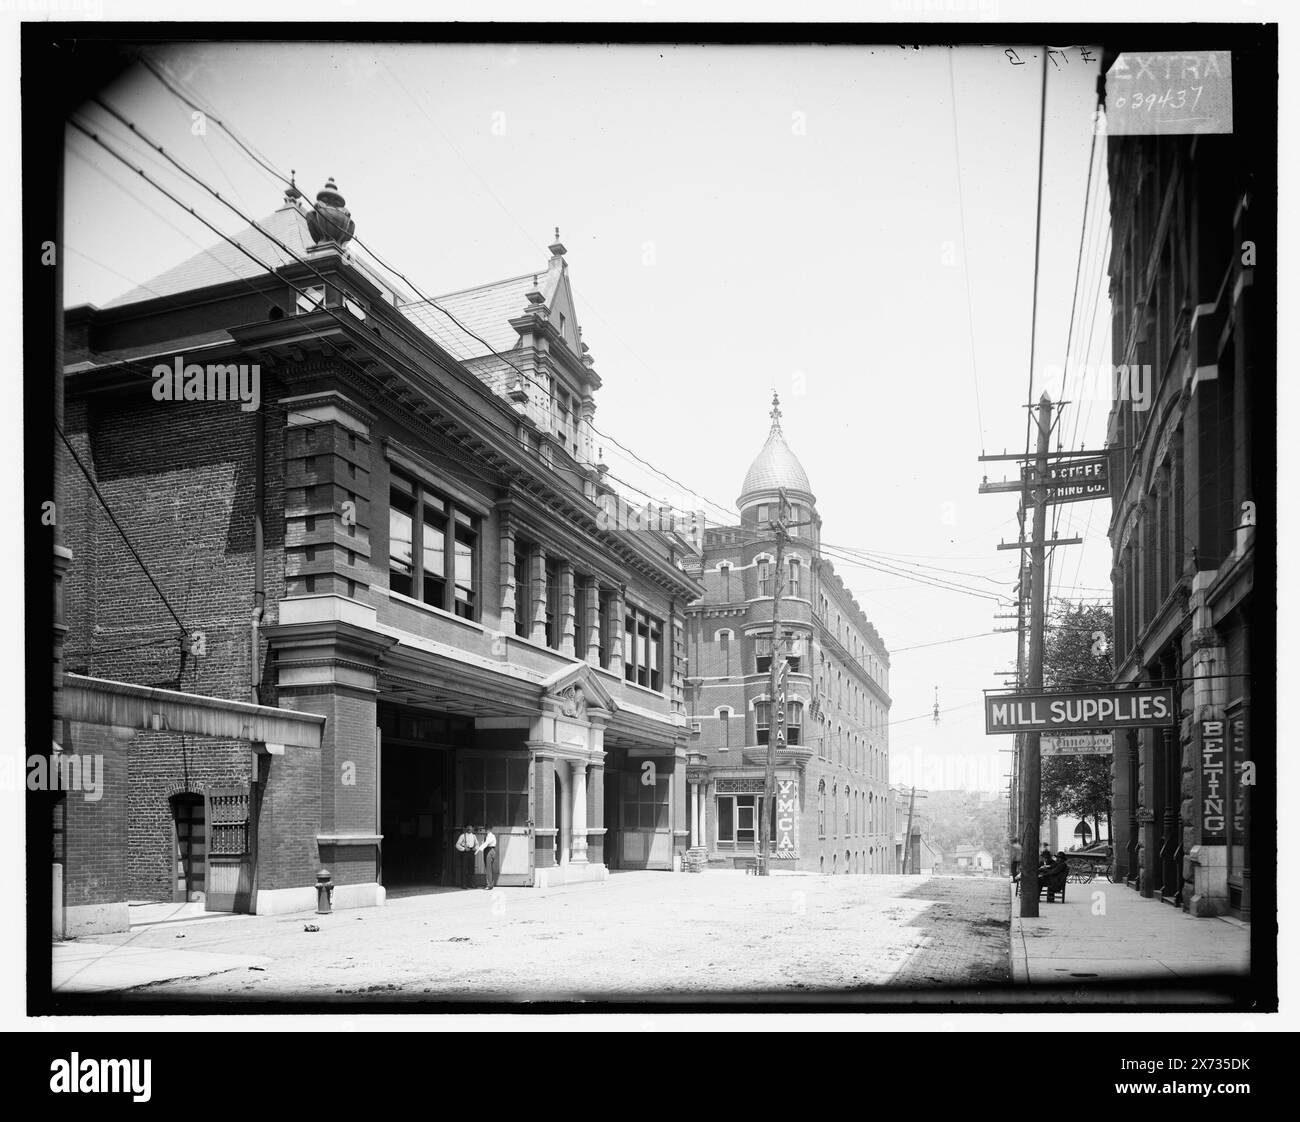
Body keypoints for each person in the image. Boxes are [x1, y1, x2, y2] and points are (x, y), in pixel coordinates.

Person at [454, 824, 479, 889]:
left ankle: (472, 884)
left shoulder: (474, 836)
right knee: (464, 869)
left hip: (472, 853)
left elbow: (477, 844)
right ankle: (464, 884)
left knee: (471, 869)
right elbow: (457, 845)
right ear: (466, 828)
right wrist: (464, 849)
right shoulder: (462, 836)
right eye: (468, 827)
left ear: (472, 828)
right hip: (465, 853)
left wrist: (475, 848)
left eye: (470, 827)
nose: (469, 828)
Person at [477, 826, 499, 890]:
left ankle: (489, 885)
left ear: (490, 829)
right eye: (486, 829)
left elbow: (486, 843)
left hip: (489, 850)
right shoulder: (487, 835)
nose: (487, 830)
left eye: (488, 829)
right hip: (487, 850)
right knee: (488, 868)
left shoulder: (490, 836)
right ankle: (490, 884)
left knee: (488, 868)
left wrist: (479, 849)